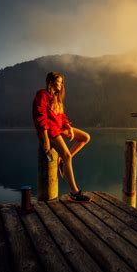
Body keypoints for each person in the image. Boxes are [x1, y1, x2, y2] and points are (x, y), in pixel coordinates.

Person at [32, 71, 91, 202]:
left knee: (85, 137)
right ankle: (74, 193)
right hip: (50, 131)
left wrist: (68, 126)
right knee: (67, 155)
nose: (60, 84)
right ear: (50, 82)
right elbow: (40, 118)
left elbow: (61, 115)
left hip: (59, 128)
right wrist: (46, 139)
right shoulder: (42, 95)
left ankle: (63, 161)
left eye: (61, 82)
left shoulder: (57, 98)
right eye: (57, 82)